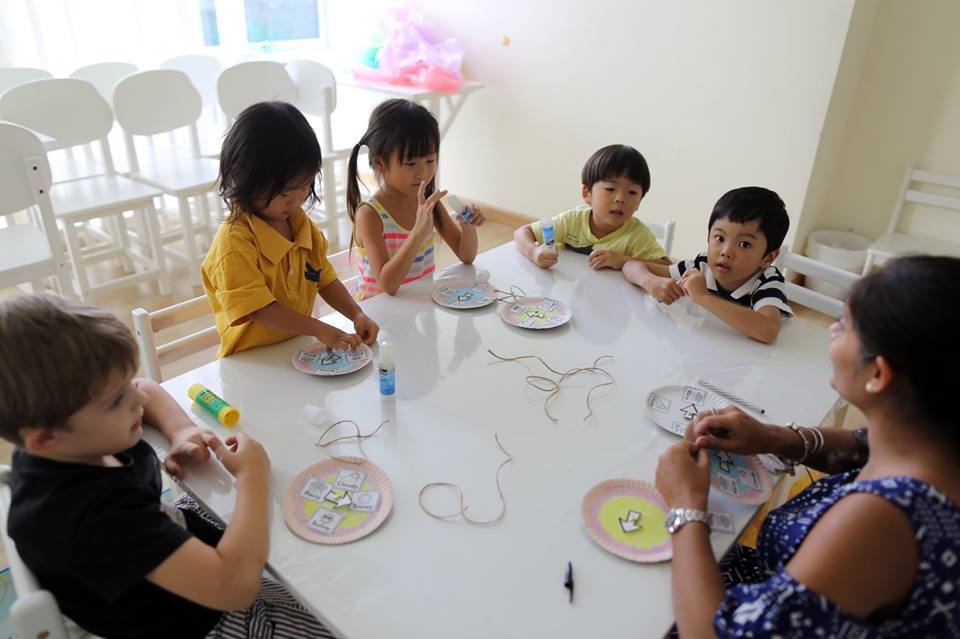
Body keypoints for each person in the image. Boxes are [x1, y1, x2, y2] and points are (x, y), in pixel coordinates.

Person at [655, 255, 960, 637]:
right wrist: (771, 437)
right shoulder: (933, 441)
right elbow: (860, 447)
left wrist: (685, 507)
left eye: (844, 327)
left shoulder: (882, 520)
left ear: (878, 374)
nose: (830, 331)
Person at [1, 293, 332, 638]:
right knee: (338, 606)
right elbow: (233, 587)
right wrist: (253, 475)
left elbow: (147, 388)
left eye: (126, 383)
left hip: (175, 554)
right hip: (204, 621)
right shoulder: (95, 519)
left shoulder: (61, 447)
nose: (139, 398)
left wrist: (181, 432)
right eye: (116, 400)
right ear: (45, 438)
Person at [203, 101, 378, 357]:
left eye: (305, 186)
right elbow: (259, 309)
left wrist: (356, 313)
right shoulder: (234, 241)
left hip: (295, 352)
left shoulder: (300, 224)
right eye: (285, 191)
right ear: (243, 177)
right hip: (249, 364)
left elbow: (324, 278)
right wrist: (318, 328)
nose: (296, 200)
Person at [346, 98, 485, 300]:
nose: (423, 173)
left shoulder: (430, 203)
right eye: (410, 163)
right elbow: (387, 284)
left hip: (419, 309)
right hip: (377, 319)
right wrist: (418, 233)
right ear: (379, 163)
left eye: (430, 160)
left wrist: (468, 227)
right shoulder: (369, 215)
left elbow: (466, 256)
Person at [624, 187, 791, 343]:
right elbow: (633, 265)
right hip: (710, 346)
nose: (726, 252)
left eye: (744, 244)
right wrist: (650, 282)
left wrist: (703, 297)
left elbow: (768, 331)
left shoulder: (767, 281)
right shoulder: (702, 265)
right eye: (719, 238)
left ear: (768, 258)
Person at [514, 144, 668, 271]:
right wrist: (533, 252)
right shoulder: (572, 221)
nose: (621, 199)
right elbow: (522, 232)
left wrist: (623, 261)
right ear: (587, 193)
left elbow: (667, 268)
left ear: (639, 202)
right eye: (610, 189)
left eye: (632, 192)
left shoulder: (637, 236)